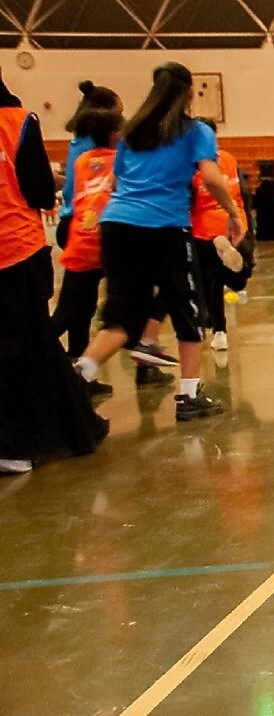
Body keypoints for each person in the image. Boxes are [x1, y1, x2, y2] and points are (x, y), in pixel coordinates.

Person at [72, 62, 243, 422]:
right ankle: (189, 396)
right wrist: (233, 213)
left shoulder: (132, 131)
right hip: (165, 227)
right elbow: (211, 176)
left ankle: (81, 373)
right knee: (188, 309)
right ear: (188, 92)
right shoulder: (194, 131)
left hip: (117, 225)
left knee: (122, 314)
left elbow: (117, 183)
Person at [0, 69, 107, 472]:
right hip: (17, 250)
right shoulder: (18, 121)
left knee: (23, 347)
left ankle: (19, 444)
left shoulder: (20, 121)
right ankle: (59, 431)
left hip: (17, 251)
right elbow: (41, 191)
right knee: (32, 344)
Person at [50, 108, 120, 366]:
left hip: (80, 238)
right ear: (115, 134)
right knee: (73, 314)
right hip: (105, 243)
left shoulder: (82, 161)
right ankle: (29, 359)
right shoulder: (121, 161)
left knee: (77, 310)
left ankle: (78, 367)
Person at [188, 117, 249, 354]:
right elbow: (242, 192)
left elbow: (188, 199)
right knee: (234, 278)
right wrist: (243, 221)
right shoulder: (228, 159)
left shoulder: (191, 165)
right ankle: (236, 272)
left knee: (209, 283)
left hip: (204, 229)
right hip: (233, 224)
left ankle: (217, 330)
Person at [56, 80, 121, 251]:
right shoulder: (98, 152)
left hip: (71, 221)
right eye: (118, 114)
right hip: (87, 224)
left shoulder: (77, 143)